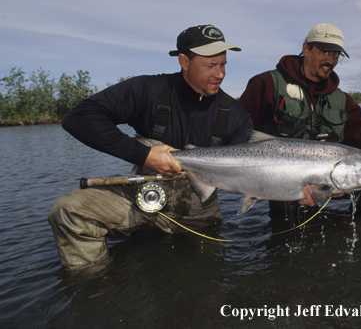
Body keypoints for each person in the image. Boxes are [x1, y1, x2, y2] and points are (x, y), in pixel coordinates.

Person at [49, 24, 253, 268]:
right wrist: (144, 154)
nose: (220, 74)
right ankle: (95, 289)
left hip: (199, 215)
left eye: (223, 65)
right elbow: (80, 118)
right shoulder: (146, 89)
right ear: (184, 62)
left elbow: (252, 171)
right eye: (210, 66)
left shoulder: (237, 114)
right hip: (141, 199)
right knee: (69, 211)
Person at [238, 23, 361, 215]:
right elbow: (236, 131)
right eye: (325, 52)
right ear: (306, 48)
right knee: (287, 222)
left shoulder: (341, 99)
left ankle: (355, 228)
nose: (331, 61)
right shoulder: (267, 84)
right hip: (282, 181)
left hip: (333, 178)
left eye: (336, 55)